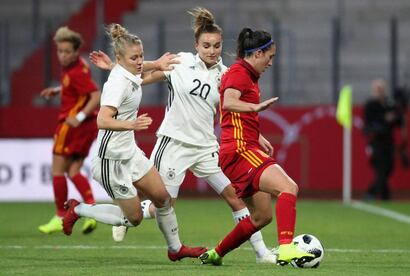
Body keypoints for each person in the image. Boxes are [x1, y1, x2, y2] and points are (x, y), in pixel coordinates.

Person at [89, 7, 276, 263]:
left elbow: (231, 110)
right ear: (196, 45)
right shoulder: (182, 62)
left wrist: (259, 134)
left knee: (236, 197)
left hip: (207, 147)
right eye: (206, 45)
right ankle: (128, 215)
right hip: (173, 144)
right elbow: (139, 77)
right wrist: (114, 66)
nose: (212, 51)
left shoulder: (226, 75)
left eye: (217, 46)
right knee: (162, 206)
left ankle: (261, 253)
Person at [62, 23, 206, 262]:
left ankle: (175, 249)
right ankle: (78, 209)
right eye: (134, 58)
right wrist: (132, 124)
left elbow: (138, 69)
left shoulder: (126, 70)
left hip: (130, 152)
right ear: (120, 59)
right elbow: (102, 120)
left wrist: (156, 63)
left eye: (141, 56)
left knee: (163, 198)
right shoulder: (117, 84)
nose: (140, 61)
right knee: (134, 219)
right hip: (111, 160)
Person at [199, 28, 315, 266]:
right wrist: (254, 108)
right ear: (257, 53)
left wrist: (258, 134)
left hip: (243, 147)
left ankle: (216, 253)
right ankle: (285, 249)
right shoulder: (240, 73)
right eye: (269, 57)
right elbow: (229, 102)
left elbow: (231, 114)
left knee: (262, 216)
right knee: (288, 188)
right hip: (241, 151)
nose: (271, 63)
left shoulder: (248, 75)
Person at [38, 26, 99, 235]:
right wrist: (57, 90)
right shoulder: (79, 66)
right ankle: (91, 208)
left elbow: (95, 95)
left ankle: (60, 215)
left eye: (66, 51)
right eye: (59, 51)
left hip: (73, 126)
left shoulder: (74, 72)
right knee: (73, 171)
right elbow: (77, 89)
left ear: (75, 52)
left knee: (57, 169)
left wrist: (79, 116)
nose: (62, 55)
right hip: (88, 127)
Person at [363, 79, 401, 200]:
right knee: (381, 169)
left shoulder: (390, 104)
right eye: (377, 89)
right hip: (376, 142)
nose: (380, 91)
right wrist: (385, 119)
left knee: (389, 168)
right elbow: (369, 123)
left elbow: (398, 120)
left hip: (389, 142)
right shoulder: (370, 105)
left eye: (381, 89)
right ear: (374, 90)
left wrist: (393, 117)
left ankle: (376, 193)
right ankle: (379, 195)